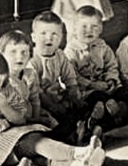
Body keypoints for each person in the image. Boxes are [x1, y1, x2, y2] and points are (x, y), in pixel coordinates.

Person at [64, 5, 127, 133]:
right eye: (84, 27)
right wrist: (92, 84)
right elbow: (72, 75)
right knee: (96, 98)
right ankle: (109, 113)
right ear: (74, 28)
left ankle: (108, 113)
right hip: (85, 90)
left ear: (100, 29)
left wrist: (111, 80)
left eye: (94, 27)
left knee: (123, 92)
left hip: (104, 84)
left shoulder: (103, 47)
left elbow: (111, 65)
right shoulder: (71, 50)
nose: (89, 31)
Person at [28, 11, 86, 144]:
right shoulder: (32, 60)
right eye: (43, 34)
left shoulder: (60, 55)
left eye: (55, 34)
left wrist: (74, 95)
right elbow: (36, 91)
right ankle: (69, 135)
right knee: (53, 120)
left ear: (61, 38)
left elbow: (69, 78)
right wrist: (53, 106)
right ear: (34, 37)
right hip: (40, 102)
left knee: (81, 106)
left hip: (58, 97)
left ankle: (86, 125)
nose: (49, 38)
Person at [0, 29, 59, 128]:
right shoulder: (2, 79)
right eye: (13, 52)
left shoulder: (30, 74)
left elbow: (35, 99)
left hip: (31, 113)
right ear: (2, 54)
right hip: (12, 117)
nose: (19, 57)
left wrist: (36, 118)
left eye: (24, 52)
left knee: (53, 123)